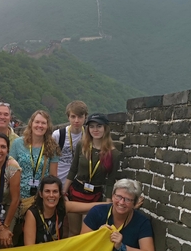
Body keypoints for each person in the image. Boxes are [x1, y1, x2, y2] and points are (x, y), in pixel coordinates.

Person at [63, 113, 121, 215]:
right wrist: (64, 192)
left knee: (88, 229)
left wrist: (108, 204)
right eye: (92, 126)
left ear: (105, 128)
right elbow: (73, 169)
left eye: (99, 126)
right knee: (74, 230)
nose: (95, 130)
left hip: (95, 195)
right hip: (76, 191)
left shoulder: (114, 154)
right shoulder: (82, 145)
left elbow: (110, 181)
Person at [23, 175, 106, 245]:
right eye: (47, 191)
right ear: (41, 194)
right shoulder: (32, 213)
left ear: (60, 194)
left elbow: (89, 207)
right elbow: (30, 249)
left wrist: (113, 204)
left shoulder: (62, 206)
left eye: (55, 191)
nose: (51, 195)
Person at [9, 110, 60, 222]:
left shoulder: (52, 147)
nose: (39, 126)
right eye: (37, 122)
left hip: (39, 198)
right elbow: (9, 170)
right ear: (31, 123)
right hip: (17, 196)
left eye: (43, 123)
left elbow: (53, 176)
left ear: (47, 126)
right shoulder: (18, 144)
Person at [52, 100, 88, 237]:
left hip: (79, 185)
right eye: (73, 117)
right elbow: (49, 159)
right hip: (60, 182)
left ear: (85, 117)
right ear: (68, 117)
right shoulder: (58, 135)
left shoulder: (88, 136)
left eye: (80, 117)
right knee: (58, 221)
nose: (77, 120)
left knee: (72, 224)